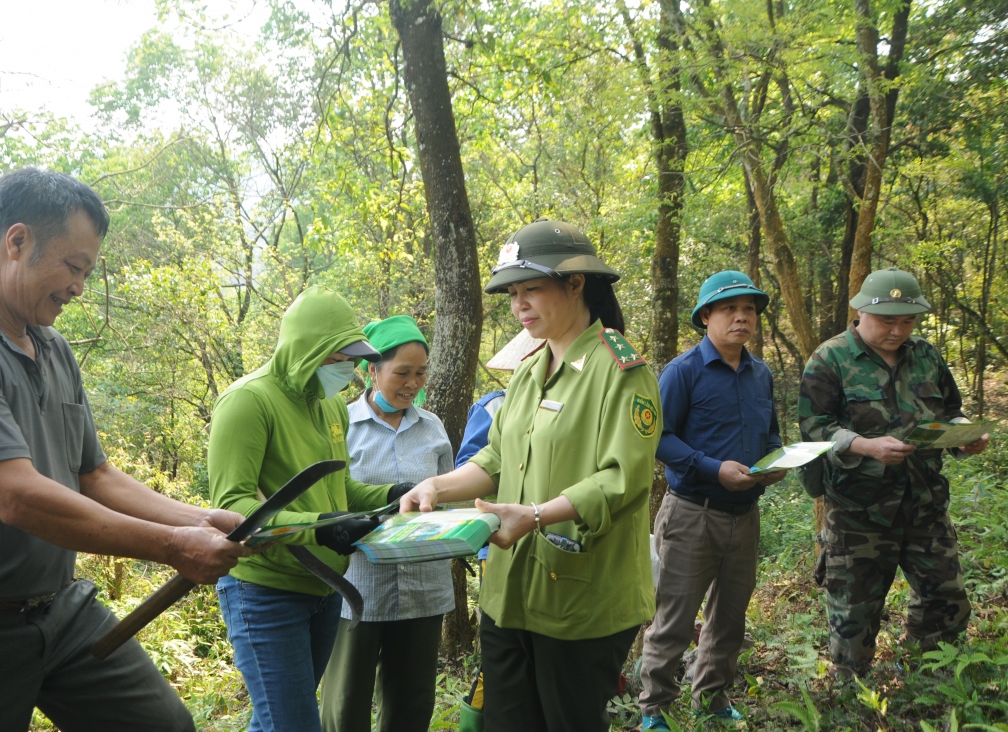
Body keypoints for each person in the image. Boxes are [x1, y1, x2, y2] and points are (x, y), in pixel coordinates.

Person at [0, 167, 252, 732]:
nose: (78, 286)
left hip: (59, 611)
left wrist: (204, 520)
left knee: (163, 726)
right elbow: (16, 498)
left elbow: (93, 474)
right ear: (18, 241)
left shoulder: (52, 348)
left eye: (87, 272)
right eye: (73, 267)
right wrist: (174, 545)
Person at [399, 220, 660, 732]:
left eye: (532, 289)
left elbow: (623, 479)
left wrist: (538, 515)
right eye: (513, 293)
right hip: (508, 595)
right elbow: (495, 460)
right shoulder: (527, 371)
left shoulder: (621, 369)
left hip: (580, 600)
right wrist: (436, 486)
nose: (519, 304)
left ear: (576, 283)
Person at [206, 287, 414, 732]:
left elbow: (338, 493)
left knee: (275, 723)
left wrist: (394, 494)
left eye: (350, 359)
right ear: (308, 349)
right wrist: (318, 529)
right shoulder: (248, 402)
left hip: (321, 590)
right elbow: (232, 506)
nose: (347, 370)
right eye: (338, 358)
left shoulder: (328, 405)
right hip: (263, 592)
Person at [798, 268, 990, 677]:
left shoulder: (926, 355)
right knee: (854, 615)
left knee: (947, 599)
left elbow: (950, 413)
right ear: (862, 312)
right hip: (859, 511)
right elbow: (815, 429)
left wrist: (964, 437)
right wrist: (866, 446)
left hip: (925, 503)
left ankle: (933, 679)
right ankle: (852, 695)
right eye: (888, 320)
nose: (898, 330)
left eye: (907, 320)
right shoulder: (830, 359)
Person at [638, 271, 784, 730]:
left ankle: (712, 695)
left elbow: (772, 433)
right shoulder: (682, 372)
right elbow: (656, 438)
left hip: (746, 515)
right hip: (692, 513)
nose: (741, 317)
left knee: (730, 615)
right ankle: (654, 707)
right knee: (674, 616)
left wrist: (776, 462)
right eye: (729, 309)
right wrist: (711, 466)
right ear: (706, 317)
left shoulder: (761, 374)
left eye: (750, 310)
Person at [319, 315, 455, 732]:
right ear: (371, 371)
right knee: (346, 705)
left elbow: (448, 496)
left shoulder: (432, 428)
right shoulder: (339, 426)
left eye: (420, 373)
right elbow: (327, 500)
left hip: (423, 588)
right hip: (358, 588)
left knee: (412, 704)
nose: (413, 383)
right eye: (402, 372)